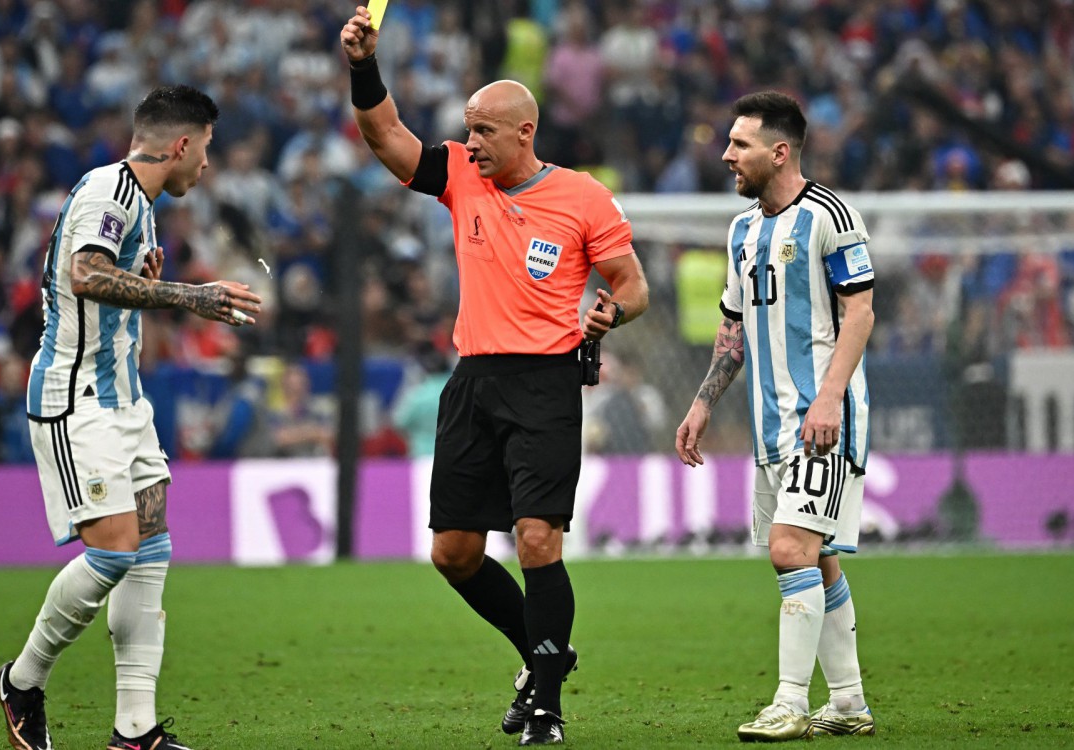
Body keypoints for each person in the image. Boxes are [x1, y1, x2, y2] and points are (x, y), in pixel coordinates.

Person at [341, 7, 649, 746]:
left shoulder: (582, 197)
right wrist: (363, 65)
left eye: (482, 130)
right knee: (453, 552)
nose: (469, 140)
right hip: (472, 381)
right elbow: (386, 136)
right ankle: (545, 656)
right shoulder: (459, 179)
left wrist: (611, 313)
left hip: (544, 384)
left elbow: (633, 286)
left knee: (538, 541)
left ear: (523, 133)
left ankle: (546, 706)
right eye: (467, 128)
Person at [0, 84, 262, 750]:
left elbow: (104, 281)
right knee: (113, 552)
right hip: (76, 396)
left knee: (150, 553)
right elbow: (84, 274)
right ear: (183, 142)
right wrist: (185, 294)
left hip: (122, 399)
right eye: (206, 149)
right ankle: (21, 681)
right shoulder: (110, 193)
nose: (206, 165)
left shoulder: (134, 204)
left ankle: (134, 731)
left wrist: (147, 282)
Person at [674, 91, 876, 742]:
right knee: (815, 560)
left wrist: (829, 398)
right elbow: (732, 327)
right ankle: (847, 702)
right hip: (771, 424)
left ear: (779, 152)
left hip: (824, 417)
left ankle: (790, 702)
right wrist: (704, 402)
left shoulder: (829, 216)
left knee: (790, 549)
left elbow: (861, 313)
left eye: (739, 144)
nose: (727, 155)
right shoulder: (741, 231)